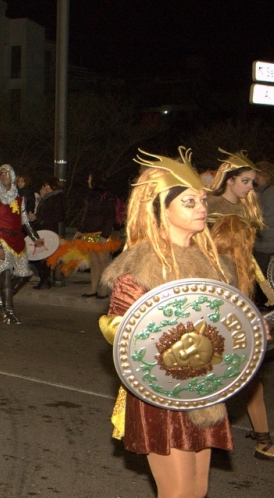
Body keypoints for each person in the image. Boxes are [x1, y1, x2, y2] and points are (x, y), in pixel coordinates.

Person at [99, 147, 239, 498]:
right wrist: (164, 335)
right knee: (177, 492)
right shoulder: (139, 266)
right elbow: (117, 327)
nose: (202, 209)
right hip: (162, 392)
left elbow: (228, 328)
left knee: (197, 489)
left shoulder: (215, 264)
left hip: (206, 390)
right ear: (162, 207)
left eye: (203, 201)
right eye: (189, 202)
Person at [206, 149, 274, 461]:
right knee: (235, 372)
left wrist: (266, 290)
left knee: (249, 373)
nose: (251, 186)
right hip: (221, 299)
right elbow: (213, 260)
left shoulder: (245, 211)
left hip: (242, 295)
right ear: (229, 180)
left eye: (252, 181)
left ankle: (262, 437)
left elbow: (247, 261)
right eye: (245, 181)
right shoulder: (213, 210)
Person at [0, 164, 39, 324]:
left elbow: (24, 220)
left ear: (12, 176)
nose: (4, 176)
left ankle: (0, 300)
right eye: (1, 174)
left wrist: (35, 237)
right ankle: (8, 312)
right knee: (5, 271)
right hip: (2, 238)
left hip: (18, 239)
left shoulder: (19, 198)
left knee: (25, 273)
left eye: (6, 174)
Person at [73, 169, 121, 299]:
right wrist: (80, 229)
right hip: (89, 232)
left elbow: (109, 216)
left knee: (103, 261)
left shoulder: (108, 196)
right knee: (94, 262)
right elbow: (86, 215)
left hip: (102, 233)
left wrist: (105, 235)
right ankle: (93, 288)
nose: (88, 181)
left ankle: (104, 289)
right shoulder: (90, 195)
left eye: (89, 178)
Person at [30, 177, 67, 290]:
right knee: (40, 256)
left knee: (42, 256)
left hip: (48, 230)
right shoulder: (47, 199)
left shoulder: (55, 199)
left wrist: (40, 220)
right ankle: (44, 279)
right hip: (43, 229)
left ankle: (45, 279)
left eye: (47, 186)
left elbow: (57, 216)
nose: (44, 188)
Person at [253, 160, 274, 274]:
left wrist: (252, 203)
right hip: (262, 245)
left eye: (258, 174)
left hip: (268, 246)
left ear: (266, 175)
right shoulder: (262, 191)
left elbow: (267, 214)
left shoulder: (271, 192)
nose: (255, 177)